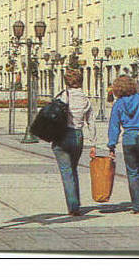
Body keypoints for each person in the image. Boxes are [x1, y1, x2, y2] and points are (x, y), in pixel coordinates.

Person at [106, 75, 139, 214]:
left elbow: (114, 126)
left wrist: (112, 145)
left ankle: (137, 207)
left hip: (129, 140)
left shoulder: (118, 104)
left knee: (132, 173)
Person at [51, 68, 97, 216]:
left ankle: (73, 206)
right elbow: (91, 121)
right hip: (78, 136)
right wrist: (93, 142)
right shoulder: (85, 98)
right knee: (73, 169)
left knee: (66, 171)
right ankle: (76, 202)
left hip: (63, 135)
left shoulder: (64, 95)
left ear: (66, 82)